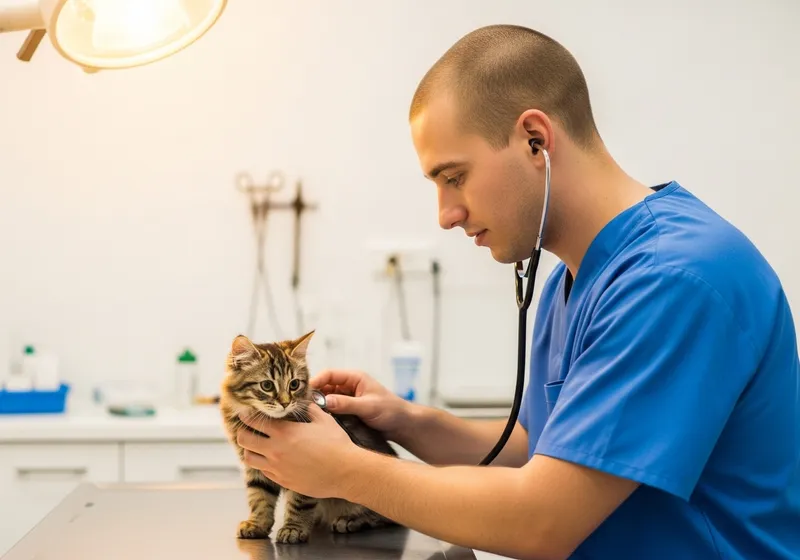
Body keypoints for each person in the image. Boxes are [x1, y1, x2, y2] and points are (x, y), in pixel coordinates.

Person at [235, 24, 800, 559]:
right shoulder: (572, 280)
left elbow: (542, 519)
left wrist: (345, 470)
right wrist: (403, 420)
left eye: (454, 177)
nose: (446, 215)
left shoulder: (674, 280)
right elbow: (537, 450)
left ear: (535, 140)